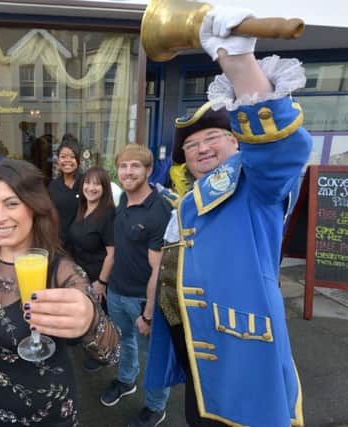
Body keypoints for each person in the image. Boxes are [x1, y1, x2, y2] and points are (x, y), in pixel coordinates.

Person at [142, 6, 312, 427]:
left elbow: (280, 154)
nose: (201, 148)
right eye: (191, 144)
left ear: (237, 143)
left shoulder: (254, 184)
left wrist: (239, 66)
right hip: (193, 349)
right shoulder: (186, 199)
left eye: (212, 137)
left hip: (241, 359)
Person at [0, 159, 120, 426]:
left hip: (44, 413)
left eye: (11, 203)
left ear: (35, 207)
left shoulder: (61, 271)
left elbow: (111, 354)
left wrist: (90, 322)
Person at [99, 144, 172, 427]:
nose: (128, 171)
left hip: (143, 301)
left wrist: (149, 313)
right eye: (123, 166)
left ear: (149, 170)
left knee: (154, 356)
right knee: (125, 342)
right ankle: (126, 380)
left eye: (135, 166)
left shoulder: (159, 210)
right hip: (117, 292)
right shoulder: (123, 202)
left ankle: (156, 407)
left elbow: (159, 268)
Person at [68, 166, 116, 372]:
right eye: (88, 182)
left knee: (98, 318)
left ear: (105, 188)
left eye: (97, 183)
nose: (91, 187)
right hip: (81, 273)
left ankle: (100, 355)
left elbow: (112, 253)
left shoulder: (107, 214)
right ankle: (82, 340)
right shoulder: (82, 208)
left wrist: (102, 282)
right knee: (84, 313)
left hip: (98, 275)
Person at [48, 135, 83, 253]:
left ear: (78, 160)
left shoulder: (86, 183)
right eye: (63, 157)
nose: (67, 160)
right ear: (58, 160)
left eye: (72, 157)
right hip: (60, 244)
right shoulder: (53, 186)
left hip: (84, 245)